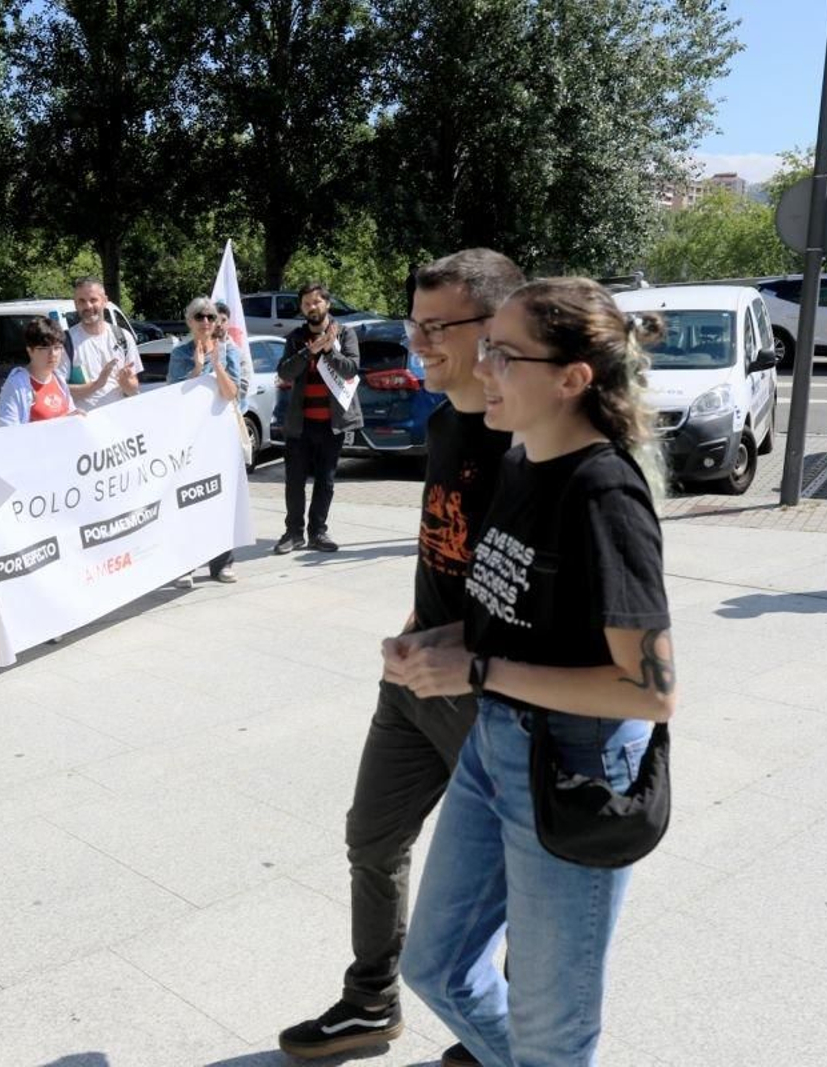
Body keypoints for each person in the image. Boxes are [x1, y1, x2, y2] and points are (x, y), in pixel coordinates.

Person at [394, 277, 677, 1066]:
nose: (482, 367)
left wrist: (479, 668)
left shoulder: (605, 494)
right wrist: (439, 641)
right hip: (495, 746)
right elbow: (519, 613)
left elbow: (652, 691)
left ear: (571, 378)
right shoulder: (522, 459)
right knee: (436, 967)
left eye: (502, 353)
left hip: (578, 766)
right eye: (486, 349)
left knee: (556, 1032)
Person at [278, 250, 523, 1064]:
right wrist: (418, 623)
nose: (413, 340)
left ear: (493, 326)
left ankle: (510, 1026)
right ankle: (370, 1001)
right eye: (413, 321)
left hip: (490, 696)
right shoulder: (447, 417)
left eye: (433, 325)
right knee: (373, 836)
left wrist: (468, 652)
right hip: (412, 678)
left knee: (522, 878)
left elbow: (554, 602)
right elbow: (445, 550)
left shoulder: (528, 441)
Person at [275, 282, 363, 554]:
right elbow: (285, 373)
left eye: (316, 302)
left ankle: (318, 532)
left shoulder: (345, 334)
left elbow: (350, 369)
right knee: (294, 481)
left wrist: (328, 350)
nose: (312, 307)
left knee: (325, 481)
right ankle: (293, 533)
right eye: (306, 304)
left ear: (327, 303)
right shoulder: (295, 338)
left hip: (331, 424)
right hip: (300, 425)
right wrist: (309, 351)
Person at [167, 296, 243, 587]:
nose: (206, 322)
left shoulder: (227, 350)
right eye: (200, 317)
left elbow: (232, 392)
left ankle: (222, 562)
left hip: (219, 439)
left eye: (211, 317)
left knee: (220, 501)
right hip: (189, 440)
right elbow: (174, 396)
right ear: (189, 321)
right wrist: (198, 370)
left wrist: (216, 364)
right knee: (188, 500)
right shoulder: (180, 354)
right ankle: (185, 564)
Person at [64, 276, 142, 411]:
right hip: (82, 425)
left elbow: (134, 388)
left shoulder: (123, 336)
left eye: (93, 300)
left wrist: (126, 384)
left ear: (105, 301)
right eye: (82, 301)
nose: (88, 306)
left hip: (118, 420)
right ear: (76, 304)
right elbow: (59, 391)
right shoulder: (66, 341)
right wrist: (97, 384)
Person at [0, 319, 79, 424]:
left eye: (57, 348)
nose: (52, 354)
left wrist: (75, 416)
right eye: (44, 348)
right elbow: (8, 431)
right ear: (30, 350)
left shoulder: (59, 379)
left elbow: (69, 415)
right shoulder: (16, 386)